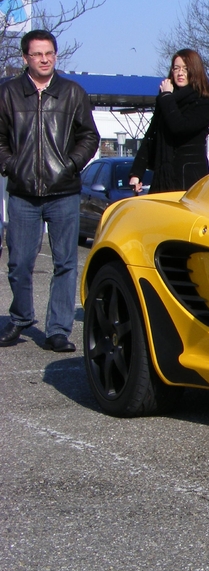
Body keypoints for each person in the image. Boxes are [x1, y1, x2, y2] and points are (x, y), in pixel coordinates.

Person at [0, 29, 99, 352]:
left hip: (64, 192)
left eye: (49, 53)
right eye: (37, 54)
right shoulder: (8, 93)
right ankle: (21, 318)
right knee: (19, 263)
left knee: (65, 263)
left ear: (55, 55)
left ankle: (58, 330)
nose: (44, 59)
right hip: (23, 194)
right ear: (25, 58)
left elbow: (89, 136)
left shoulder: (72, 92)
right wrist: (12, 165)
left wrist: (70, 165)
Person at [129, 48, 209, 194]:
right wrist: (136, 173)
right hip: (162, 177)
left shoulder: (205, 101)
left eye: (185, 68)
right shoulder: (166, 99)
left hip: (189, 179)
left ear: (195, 70)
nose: (180, 73)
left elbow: (180, 127)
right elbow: (151, 136)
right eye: (176, 68)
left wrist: (166, 98)